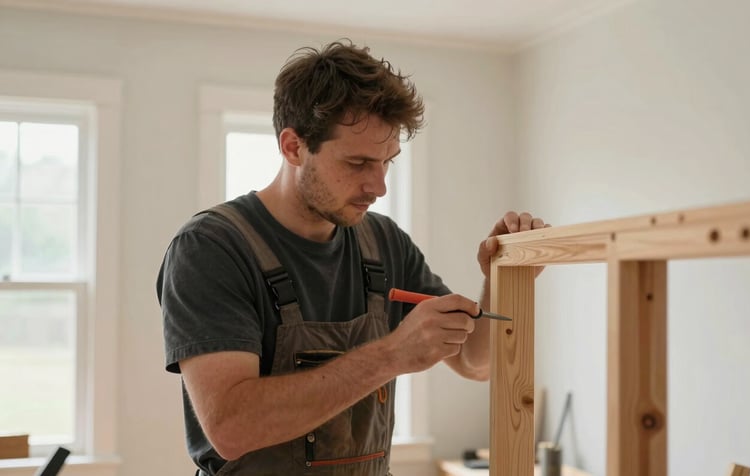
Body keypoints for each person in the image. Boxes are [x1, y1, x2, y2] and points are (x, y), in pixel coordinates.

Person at [157, 39, 548, 476]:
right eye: (358, 163)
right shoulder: (211, 248)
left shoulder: (384, 242)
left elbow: (475, 363)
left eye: (387, 162)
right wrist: (392, 355)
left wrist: (502, 279)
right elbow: (231, 428)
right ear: (293, 147)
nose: (378, 187)